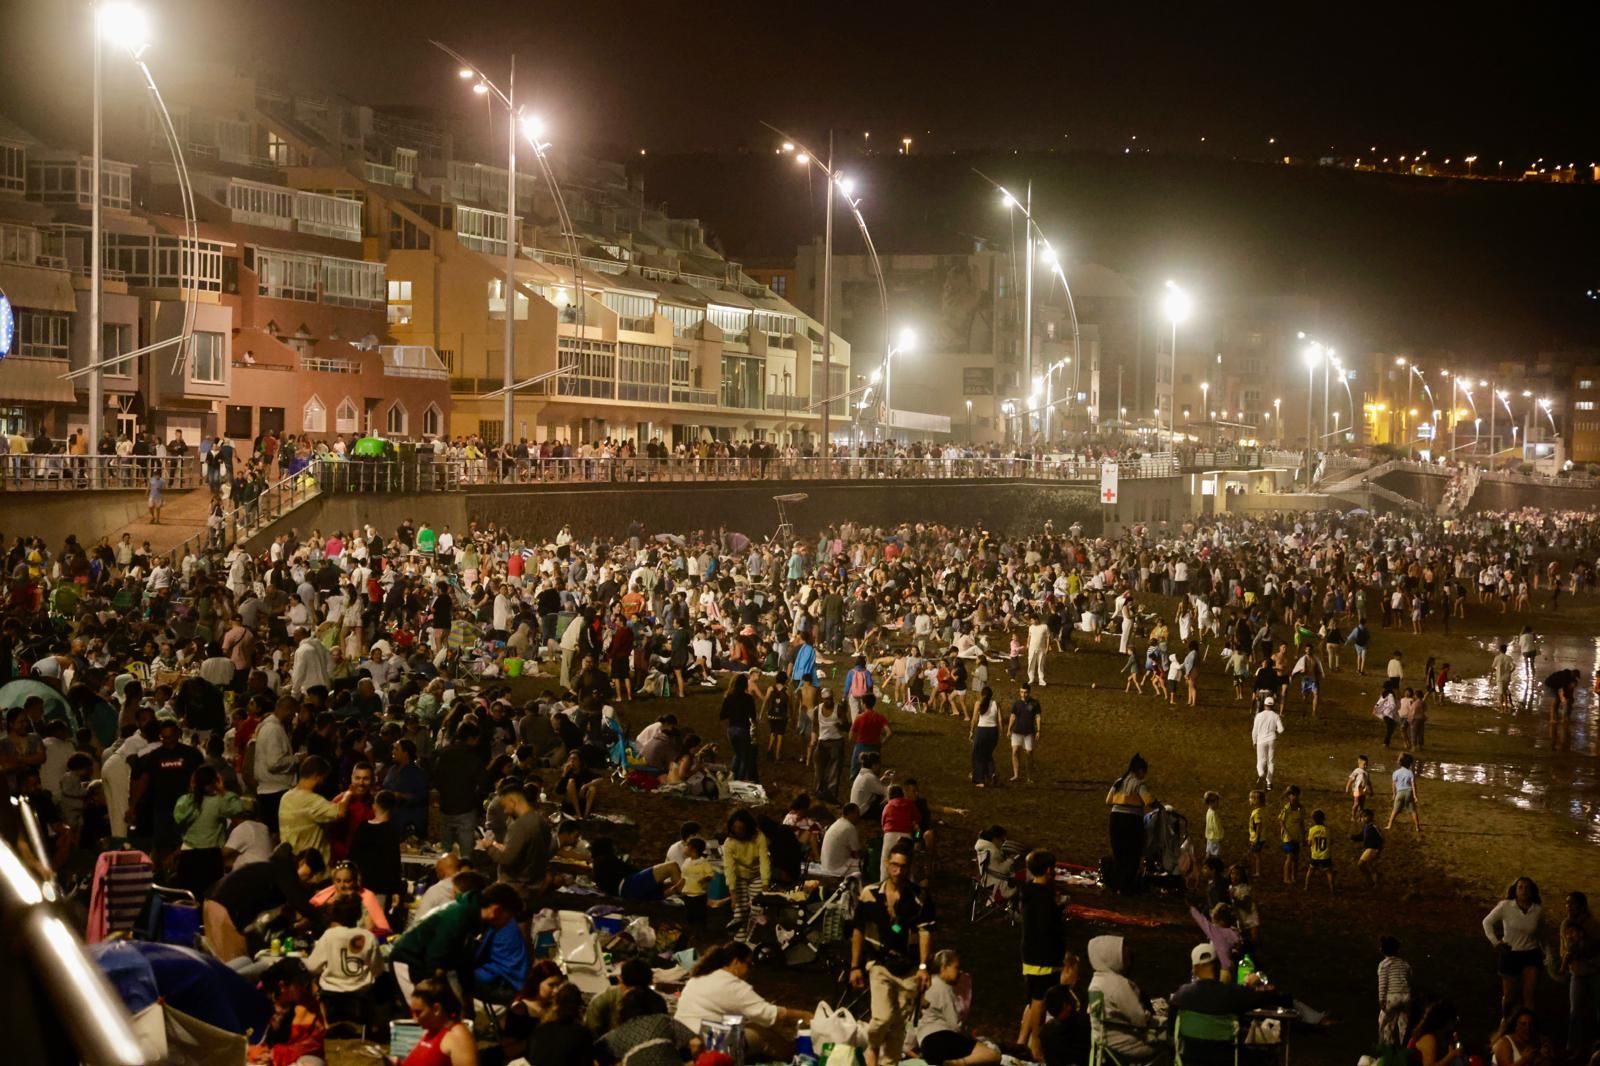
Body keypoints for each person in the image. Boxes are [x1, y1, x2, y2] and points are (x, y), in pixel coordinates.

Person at [850, 840, 935, 1066]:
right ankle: (872, 1047)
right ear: (887, 864)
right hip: (879, 962)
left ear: (909, 868)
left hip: (908, 967)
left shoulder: (919, 899)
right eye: (894, 865)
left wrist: (924, 967)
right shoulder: (870, 894)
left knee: (898, 1025)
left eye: (903, 866)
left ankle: (889, 1063)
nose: (898, 871)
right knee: (882, 1017)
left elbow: (925, 931)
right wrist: (854, 965)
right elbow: (858, 929)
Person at [389, 881, 523, 1002]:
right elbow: (436, 957)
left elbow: (463, 962)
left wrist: (466, 994)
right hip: (408, 960)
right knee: (421, 1016)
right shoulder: (457, 916)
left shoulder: (474, 919)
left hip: (426, 964)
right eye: (508, 917)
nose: (506, 923)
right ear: (497, 910)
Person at [673, 942, 810, 1058]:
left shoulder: (700, 977)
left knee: (747, 1022)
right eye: (749, 964)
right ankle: (797, 1056)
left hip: (680, 1037)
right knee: (764, 1033)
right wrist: (804, 1015)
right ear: (736, 962)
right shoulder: (732, 985)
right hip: (707, 1042)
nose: (750, 970)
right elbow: (767, 1013)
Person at [1019, 849, 1069, 1060]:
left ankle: (1022, 1042)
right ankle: (1036, 1046)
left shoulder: (1031, 892)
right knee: (1040, 1000)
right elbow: (1047, 927)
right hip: (1043, 957)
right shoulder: (1042, 898)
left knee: (1033, 1000)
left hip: (1032, 954)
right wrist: (1059, 909)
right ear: (1049, 870)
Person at [1086, 935, 1164, 1063]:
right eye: (1123, 953)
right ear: (1111, 956)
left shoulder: (1096, 982)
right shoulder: (1118, 985)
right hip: (1127, 1046)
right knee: (1170, 1041)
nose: (1127, 957)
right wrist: (1164, 1021)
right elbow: (1141, 1019)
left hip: (1104, 1043)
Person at [171, 764, 245, 898]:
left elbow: (178, 818)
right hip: (211, 856)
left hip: (188, 854)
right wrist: (223, 791)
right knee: (211, 898)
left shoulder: (186, 801)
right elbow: (238, 808)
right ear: (214, 782)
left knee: (189, 898)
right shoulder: (219, 802)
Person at [916, 949, 1000, 1066]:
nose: (959, 972)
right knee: (993, 1055)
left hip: (926, 1045)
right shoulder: (944, 988)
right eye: (956, 968)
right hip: (942, 1039)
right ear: (944, 967)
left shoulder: (927, 985)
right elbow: (955, 1025)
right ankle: (956, 1063)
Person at [1484, 876, 1544, 1015]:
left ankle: (1529, 1026)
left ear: (1532, 891)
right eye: (1520, 887)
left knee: (1529, 994)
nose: (1524, 890)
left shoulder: (1538, 910)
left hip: (1531, 953)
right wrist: (1495, 941)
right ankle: (1506, 1022)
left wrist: (1549, 955)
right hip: (1510, 953)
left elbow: (1542, 934)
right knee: (1509, 996)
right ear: (1515, 890)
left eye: (1527, 887)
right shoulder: (1505, 906)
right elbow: (1487, 922)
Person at [278, 756, 348, 864]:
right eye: (323, 778)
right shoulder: (311, 801)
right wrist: (348, 794)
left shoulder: (285, 798)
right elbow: (340, 812)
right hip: (313, 870)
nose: (323, 782)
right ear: (317, 776)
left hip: (293, 865)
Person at [1557, 890, 1600, 1057]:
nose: (1569, 907)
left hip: (1595, 971)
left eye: (1572, 903)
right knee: (1575, 1011)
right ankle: (1574, 1046)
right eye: (1567, 903)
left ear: (1582, 906)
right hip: (1578, 973)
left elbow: (1595, 948)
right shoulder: (1565, 924)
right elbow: (1564, 949)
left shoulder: (1592, 925)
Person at [400, 973, 478, 1066]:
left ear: (436, 1009)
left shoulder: (458, 1037)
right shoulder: (430, 1033)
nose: (415, 1019)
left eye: (418, 1013)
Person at [1105, 754, 1154, 895]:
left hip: (1115, 818)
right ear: (1139, 771)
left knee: (1119, 852)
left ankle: (1117, 884)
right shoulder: (1138, 784)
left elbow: (1108, 800)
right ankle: (1128, 885)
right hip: (1132, 820)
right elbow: (1149, 801)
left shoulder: (1118, 782)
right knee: (1132, 853)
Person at [719, 673, 759, 782]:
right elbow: (753, 716)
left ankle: (732, 775)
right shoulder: (748, 698)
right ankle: (738, 780)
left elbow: (722, 715)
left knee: (737, 753)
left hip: (731, 730)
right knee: (744, 757)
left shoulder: (729, 697)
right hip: (743, 729)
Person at [1376, 935, 1412, 1049]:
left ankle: (1386, 1047)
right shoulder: (1405, 963)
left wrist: (1382, 1000)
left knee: (1385, 1024)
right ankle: (1406, 1047)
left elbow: (1383, 984)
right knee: (1404, 1024)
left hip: (1392, 997)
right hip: (1406, 996)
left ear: (1382, 950)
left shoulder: (1384, 965)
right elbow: (1410, 977)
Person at [1006, 682, 1041, 784]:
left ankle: (1029, 776)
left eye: (1025, 692)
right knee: (1015, 751)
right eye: (1021, 692)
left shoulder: (1034, 703)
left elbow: (1037, 717)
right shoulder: (1017, 704)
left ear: (1029, 693)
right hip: (1017, 731)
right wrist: (1009, 729)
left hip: (1029, 732)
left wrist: (1038, 730)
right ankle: (1016, 774)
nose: (1023, 695)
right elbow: (1013, 716)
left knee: (1029, 753)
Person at [967, 685, 1000, 788]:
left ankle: (980, 780)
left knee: (977, 755)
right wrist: (1000, 732)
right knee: (988, 754)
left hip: (982, 730)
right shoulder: (996, 703)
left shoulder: (978, 703)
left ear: (982, 695)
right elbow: (1000, 720)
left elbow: (974, 719)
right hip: (993, 731)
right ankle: (992, 773)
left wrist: (971, 731)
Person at [1251, 696, 1283, 791]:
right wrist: (1275, 732)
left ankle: (1261, 774)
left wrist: (1254, 741)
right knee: (1271, 762)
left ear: (1264, 705)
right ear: (1273, 706)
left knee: (1260, 761)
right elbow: (1281, 730)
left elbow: (1254, 730)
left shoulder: (1259, 716)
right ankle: (1269, 783)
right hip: (1272, 739)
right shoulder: (1276, 716)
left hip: (1261, 740)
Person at [1386, 752, 1421, 832]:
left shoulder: (1396, 772)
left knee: (1395, 810)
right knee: (1413, 810)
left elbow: (1393, 784)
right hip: (1409, 791)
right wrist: (1415, 796)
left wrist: (1394, 794)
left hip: (1400, 792)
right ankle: (1417, 827)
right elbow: (1413, 785)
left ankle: (1389, 825)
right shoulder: (1410, 773)